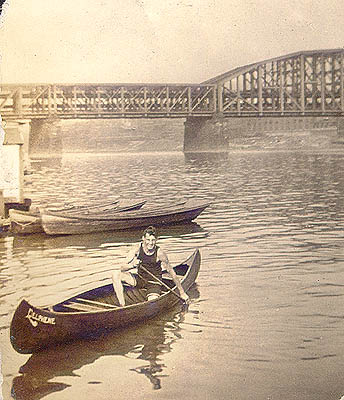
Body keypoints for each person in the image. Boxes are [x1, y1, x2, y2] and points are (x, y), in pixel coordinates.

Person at [112, 226, 189, 306]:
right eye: (148, 240)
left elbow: (172, 272)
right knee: (116, 274)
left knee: (151, 304)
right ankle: (122, 305)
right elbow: (122, 267)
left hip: (154, 283)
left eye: (153, 240)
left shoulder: (160, 253)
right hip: (140, 279)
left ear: (156, 240)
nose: (151, 243)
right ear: (143, 239)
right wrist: (132, 265)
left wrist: (182, 293)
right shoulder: (137, 249)